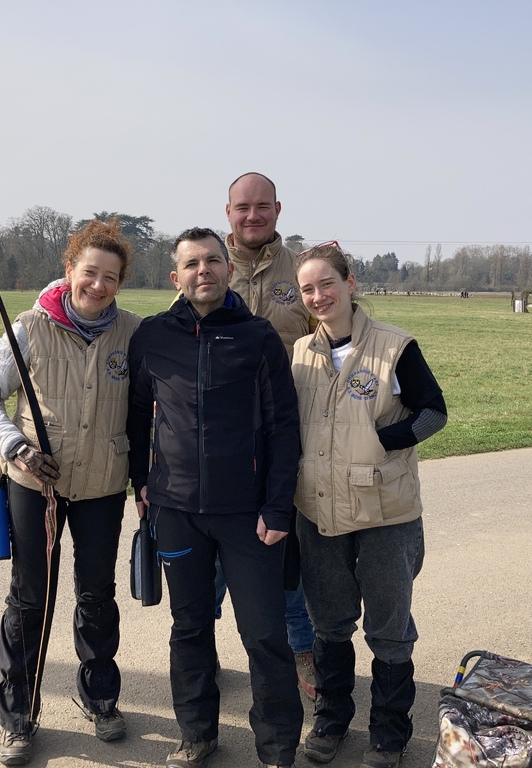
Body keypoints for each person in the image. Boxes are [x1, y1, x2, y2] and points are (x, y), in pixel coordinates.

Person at [127, 227, 303, 768]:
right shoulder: (153, 335)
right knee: (190, 627)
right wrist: (141, 481)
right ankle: (197, 734)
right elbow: (135, 415)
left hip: (249, 515)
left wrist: (278, 506)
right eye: (191, 263)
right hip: (176, 511)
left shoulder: (258, 337)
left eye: (212, 261)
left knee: (265, 634)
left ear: (228, 269)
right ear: (175, 276)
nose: (203, 270)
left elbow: (283, 426)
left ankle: (277, 748)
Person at [0, 220, 141, 766]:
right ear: (70, 270)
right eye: (89, 272)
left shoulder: (134, 333)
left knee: (97, 595)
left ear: (120, 283)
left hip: (102, 485)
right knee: (30, 598)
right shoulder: (28, 327)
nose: (98, 285)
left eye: (110, 277)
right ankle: (18, 712)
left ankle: (100, 697)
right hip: (34, 484)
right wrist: (16, 447)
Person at [290, 242, 447, 768]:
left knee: (389, 628)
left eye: (327, 283)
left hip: (384, 512)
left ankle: (388, 734)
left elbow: (434, 413)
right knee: (329, 623)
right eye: (308, 288)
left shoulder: (394, 347)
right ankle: (332, 720)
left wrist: (382, 440)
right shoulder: (300, 353)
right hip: (318, 512)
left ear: (350, 283)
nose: (318, 296)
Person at [222, 171, 318, 700]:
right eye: (243, 207)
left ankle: (302, 650)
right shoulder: (210, 266)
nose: (253, 215)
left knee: (285, 556)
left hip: (287, 439)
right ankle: (203, 651)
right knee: (214, 560)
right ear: (228, 212)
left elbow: (335, 335)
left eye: (262, 206)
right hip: (223, 445)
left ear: (278, 209)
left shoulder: (301, 272)